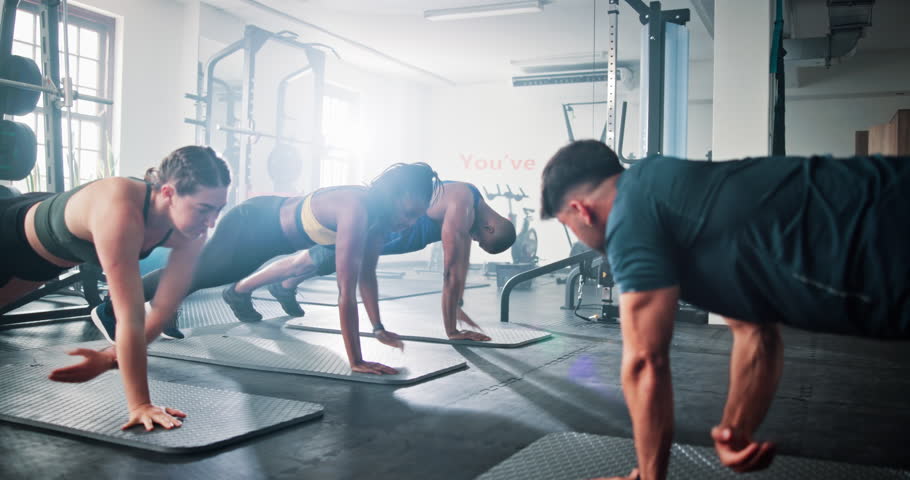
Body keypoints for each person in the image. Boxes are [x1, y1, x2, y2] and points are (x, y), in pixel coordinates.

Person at [538, 140, 910, 480]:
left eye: (566, 226)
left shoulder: (629, 214)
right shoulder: (666, 192)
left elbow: (645, 362)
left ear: (579, 210)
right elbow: (756, 333)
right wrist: (736, 429)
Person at [90, 163, 441, 375]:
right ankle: (109, 307)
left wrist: (378, 328)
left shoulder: (378, 223)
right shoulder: (357, 208)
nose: (408, 224)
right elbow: (345, 292)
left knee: (206, 274)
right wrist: (357, 360)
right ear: (393, 195)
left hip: (269, 240)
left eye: (416, 217)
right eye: (408, 212)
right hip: (253, 222)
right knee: (200, 273)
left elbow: (367, 278)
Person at [1, 146, 231, 432]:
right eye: (204, 209)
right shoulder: (121, 211)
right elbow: (130, 319)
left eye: (219, 210)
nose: (211, 222)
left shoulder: (193, 231)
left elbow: (162, 308)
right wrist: (140, 405)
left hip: (46, 260)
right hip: (10, 237)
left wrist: (110, 357)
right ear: (169, 193)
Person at [243, 180, 516, 341]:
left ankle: (285, 287)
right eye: (482, 240)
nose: (476, 240)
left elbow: (459, 268)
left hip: (396, 236)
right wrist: (452, 331)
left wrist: (457, 308)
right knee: (312, 259)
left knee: (321, 261)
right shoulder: (462, 207)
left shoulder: (471, 202)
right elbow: (450, 274)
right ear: (490, 228)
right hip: (386, 230)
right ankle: (242, 289)